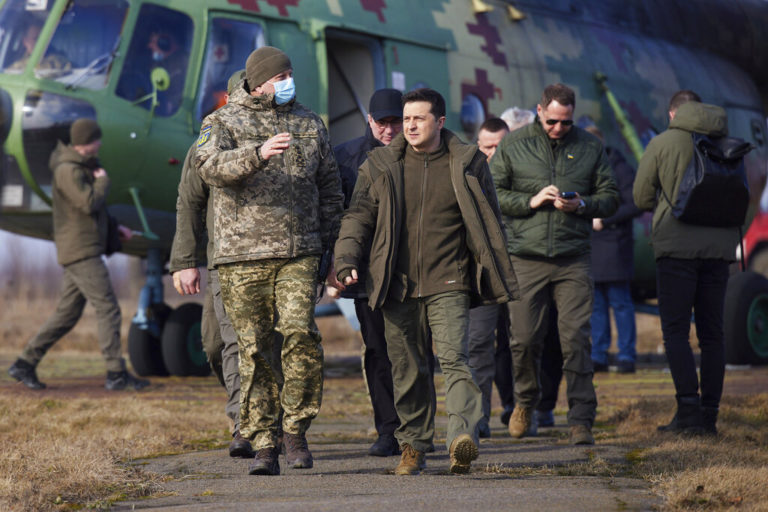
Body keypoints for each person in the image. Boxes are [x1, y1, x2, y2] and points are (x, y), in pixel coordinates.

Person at [334, 88, 518, 475]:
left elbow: (489, 217)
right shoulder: (381, 163)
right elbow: (357, 216)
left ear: (440, 121)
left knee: (454, 359)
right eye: (406, 119)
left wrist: (491, 270)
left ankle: (460, 439)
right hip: (396, 284)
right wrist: (346, 258)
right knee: (408, 369)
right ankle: (414, 445)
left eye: (419, 118)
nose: (410, 125)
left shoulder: (466, 161)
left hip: (449, 279)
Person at [195, 46, 344, 475]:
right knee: (255, 349)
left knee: (300, 334)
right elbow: (207, 166)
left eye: (290, 75)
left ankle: (295, 430)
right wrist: (257, 154)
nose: (287, 82)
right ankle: (263, 443)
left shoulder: (309, 123)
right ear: (258, 80)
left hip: (299, 253)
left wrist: (332, 251)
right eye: (280, 76)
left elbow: (330, 190)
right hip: (242, 257)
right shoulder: (222, 122)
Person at [491, 83, 618, 445]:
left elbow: (610, 198)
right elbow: (492, 192)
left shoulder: (590, 147)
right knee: (524, 340)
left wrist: (583, 205)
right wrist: (530, 201)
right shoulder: (513, 145)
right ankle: (525, 404)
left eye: (565, 122)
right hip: (526, 257)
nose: (558, 129)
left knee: (576, 339)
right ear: (539, 110)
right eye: (551, 121)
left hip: (572, 259)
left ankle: (581, 418)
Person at [7, 119, 149, 391]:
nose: (100, 144)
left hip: (81, 249)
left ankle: (24, 363)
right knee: (108, 308)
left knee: (67, 314)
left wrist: (115, 228)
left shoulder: (79, 168)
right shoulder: (68, 170)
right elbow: (87, 203)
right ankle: (116, 374)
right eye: (97, 140)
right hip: (81, 252)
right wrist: (103, 181)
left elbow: (89, 211)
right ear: (88, 142)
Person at [633, 90, 740, 436]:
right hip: (719, 250)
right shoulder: (725, 141)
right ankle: (709, 416)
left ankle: (688, 411)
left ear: (673, 113)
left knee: (676, 332)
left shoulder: (664, 142)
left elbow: (640, 196)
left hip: (676, 249)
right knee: (713, 334)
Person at [169, 70, 255, 459]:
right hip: (223, 259)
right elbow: (189, 201)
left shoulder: (284, 136)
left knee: (263, 344)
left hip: (272, 261)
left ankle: (249, 425)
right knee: (215, 342)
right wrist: (185, 261)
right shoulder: (210, 140)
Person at [333, 88, 412, 457]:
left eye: (396, 121)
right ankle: (388, 430)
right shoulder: (346, 158)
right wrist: (334, 268)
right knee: (378, 352)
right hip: (367, 278)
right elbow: (337, 219)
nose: (390, 129)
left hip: (412, 272)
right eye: (383, 122)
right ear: (369, 120)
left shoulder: (422, 154)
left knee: (413, 353)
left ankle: (416, 429)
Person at [467, 117, 511, 437]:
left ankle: (521, 407)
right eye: (487, 147)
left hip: (523, 266)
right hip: (485, 270)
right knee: (479, 343)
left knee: (523, 344)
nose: (494, 153)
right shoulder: (469, 174)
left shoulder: (527, 170)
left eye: (500, 146)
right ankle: (479, 416)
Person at [585, 125, 642, 374]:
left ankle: (626, 355)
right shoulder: (584, 168)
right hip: (592, 247)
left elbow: (636, 203)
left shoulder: (619, 167)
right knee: (596, 305)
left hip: (615, 246)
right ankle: (599, 354)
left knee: (620, 303)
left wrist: (604, 219)